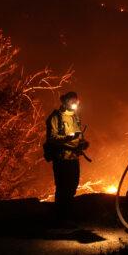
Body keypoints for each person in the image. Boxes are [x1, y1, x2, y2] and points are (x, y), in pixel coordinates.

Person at [45, 91, 89, 221]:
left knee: (72, 186)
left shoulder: (75, 117)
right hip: (61, 159)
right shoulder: (55, 117)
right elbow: (51, 138)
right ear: (64, 102)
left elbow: (79, 135)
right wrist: (67, 138)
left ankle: (67, 217)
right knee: (62, 188)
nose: (74, 103)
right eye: (71, 101)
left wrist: (83, 143)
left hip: (73, 158)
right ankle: (60, 218)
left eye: (76, 101)